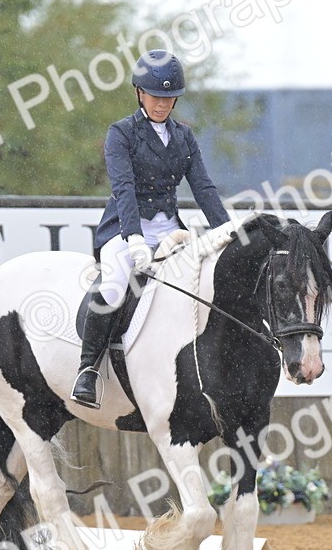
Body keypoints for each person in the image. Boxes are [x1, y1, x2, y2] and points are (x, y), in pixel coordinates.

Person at [71, 50, 231, 408]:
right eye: (156, 96)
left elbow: (203, 187)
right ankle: (88, 370)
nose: (162, 104)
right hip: (125, 228)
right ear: (140, 93)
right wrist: (134, 238)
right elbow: (123, 188)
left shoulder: (184, 137)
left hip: (171, 230)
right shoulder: (121, 133)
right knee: (114, 286)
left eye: (169, 98)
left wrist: (227, 230)